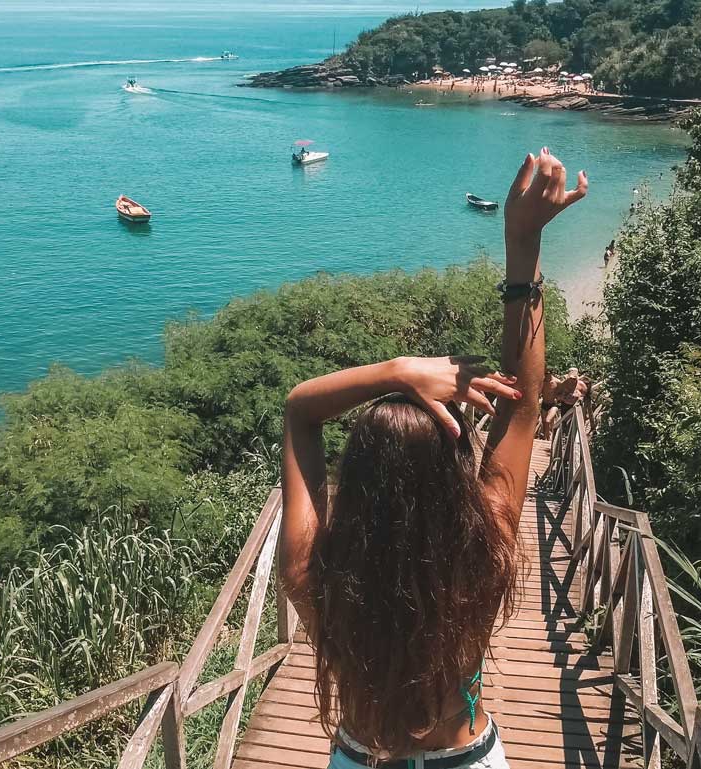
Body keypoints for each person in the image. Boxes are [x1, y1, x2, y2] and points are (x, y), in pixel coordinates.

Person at [281, 147, 588, 769]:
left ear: (358, 480)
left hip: (362, 756)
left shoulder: (315, 572)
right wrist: (522, 243)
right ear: (455, 481)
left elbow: (299, 411)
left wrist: (394, 373)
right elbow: (524, 406)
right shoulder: (482, 556)